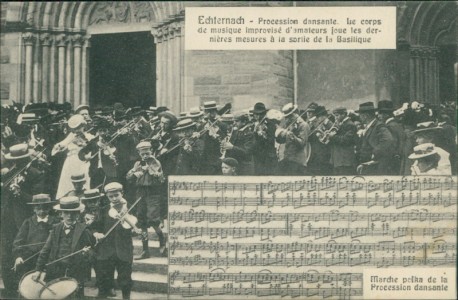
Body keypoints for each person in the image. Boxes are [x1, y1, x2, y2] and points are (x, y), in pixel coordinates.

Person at [32, 196, 95, 298]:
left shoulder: (84, 231)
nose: (69, 216)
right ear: (61, 213)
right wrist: (38, 269)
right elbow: (45, 250)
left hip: (76, 273)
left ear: (78, 214)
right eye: (66, 212)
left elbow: (92, 251)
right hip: (56, 272)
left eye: (73, 213)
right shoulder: (55, 229)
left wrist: (86, 253)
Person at [92, 182, 141, 299]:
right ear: (107, 196)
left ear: (122, 193)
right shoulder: (103, 210)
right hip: (106, 251)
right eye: (111, 196)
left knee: (125, 280)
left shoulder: (131, 207)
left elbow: (138, 224)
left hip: (124, 250)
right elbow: (94, 226)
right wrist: (97, 233)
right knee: (104, 279)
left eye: (116, 195)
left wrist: (135, 229)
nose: (114, 198)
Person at [11, 194, 58, 296]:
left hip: (49, 260)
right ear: (34, 209)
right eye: (38, 208)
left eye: (45, 208)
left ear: (49, 208)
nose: (41, 211)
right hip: (30, 261)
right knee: (29, 289)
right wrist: (18, 256)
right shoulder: (28, 222)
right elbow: (18, 243)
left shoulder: (56, 222)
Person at [126, 141, 166, 260]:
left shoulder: (155, 162)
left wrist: (151, 170)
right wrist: (134, 174)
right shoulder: (137, 163)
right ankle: (145, 250)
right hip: (140, 193)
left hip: (153, 193)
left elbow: (160, 178)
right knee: (142, 221)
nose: (145, 156)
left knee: (153, 220)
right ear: (139, 153)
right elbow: (128, 178)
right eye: (142, 154)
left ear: (151, 151)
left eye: (147, 153)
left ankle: (162, 241)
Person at [52, 114, 94, 199]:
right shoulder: (71, 136)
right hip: (71, 162)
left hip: (82, 161)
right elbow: (60, 146)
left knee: (84, 181)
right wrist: (59, 146)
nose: (77, 131)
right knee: (68, 184)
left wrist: (83, 143)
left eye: (79, 128)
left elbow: (91, 148)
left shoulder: (89, 136)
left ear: (84, 126)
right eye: (75, 129)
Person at [356, 102, 395, 175]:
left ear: (365, 116)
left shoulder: (378, 126)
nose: (359, 117)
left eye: (360, 115)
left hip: (376, 164)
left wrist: (375, 152)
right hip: (368, 163)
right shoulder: (369, 126)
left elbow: (388, 139)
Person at [275, 103, 310, 175]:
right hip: (288, 159)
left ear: (295, 114)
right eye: (286, 117)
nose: (287, 119)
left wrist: (292, 136)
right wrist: (279, 134)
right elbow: (281, 141)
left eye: (289, 116)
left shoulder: (304, 125)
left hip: (298, 162)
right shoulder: (289, 124)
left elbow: (302, 143)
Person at [377, 100, 406, 175]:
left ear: (386, 114)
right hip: (399, 158)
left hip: (391, 161)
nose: (378, 116)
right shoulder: (397, 124)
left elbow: (392, 145)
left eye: (380, 113)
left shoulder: (389, 126)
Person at [328, 107, 358, 175]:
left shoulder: (350, 124)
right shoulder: (340, 124)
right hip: (338, 160)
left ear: (344, 115)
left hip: (345, 160)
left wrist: (333, 136)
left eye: (337, 115)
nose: (335, 118)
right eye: (335, 116)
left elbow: (346, 140)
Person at [251, 102, 277, 175]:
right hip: (258, 156)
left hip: (267, 156)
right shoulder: (255, 124)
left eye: (259, 114)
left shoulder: (270, 124)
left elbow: (271, 140)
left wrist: (262, 135)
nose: (257, 116)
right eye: (256, 114)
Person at [307, 105, 333, 175]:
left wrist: (321, 132)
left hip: (324, 153)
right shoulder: (317, 124)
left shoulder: (329, 124)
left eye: (318, 117)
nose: (317, 119)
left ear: (323, 116)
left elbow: (329, 140)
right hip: (315, 154)